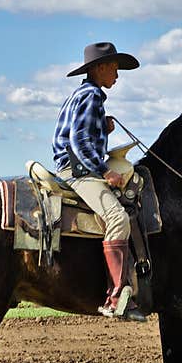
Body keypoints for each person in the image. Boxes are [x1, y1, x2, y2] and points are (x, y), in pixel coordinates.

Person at [53, 42, 147, 322]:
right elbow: (78, 141)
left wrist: (101, 125)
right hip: (77, 170)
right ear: (99, 68)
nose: (117, 75)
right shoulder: (91, 96)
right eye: (114, 68)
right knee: (118, 217)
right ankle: (117, 296)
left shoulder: (85, 95)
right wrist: (104, 171)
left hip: (76, 166)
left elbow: (81, 132)